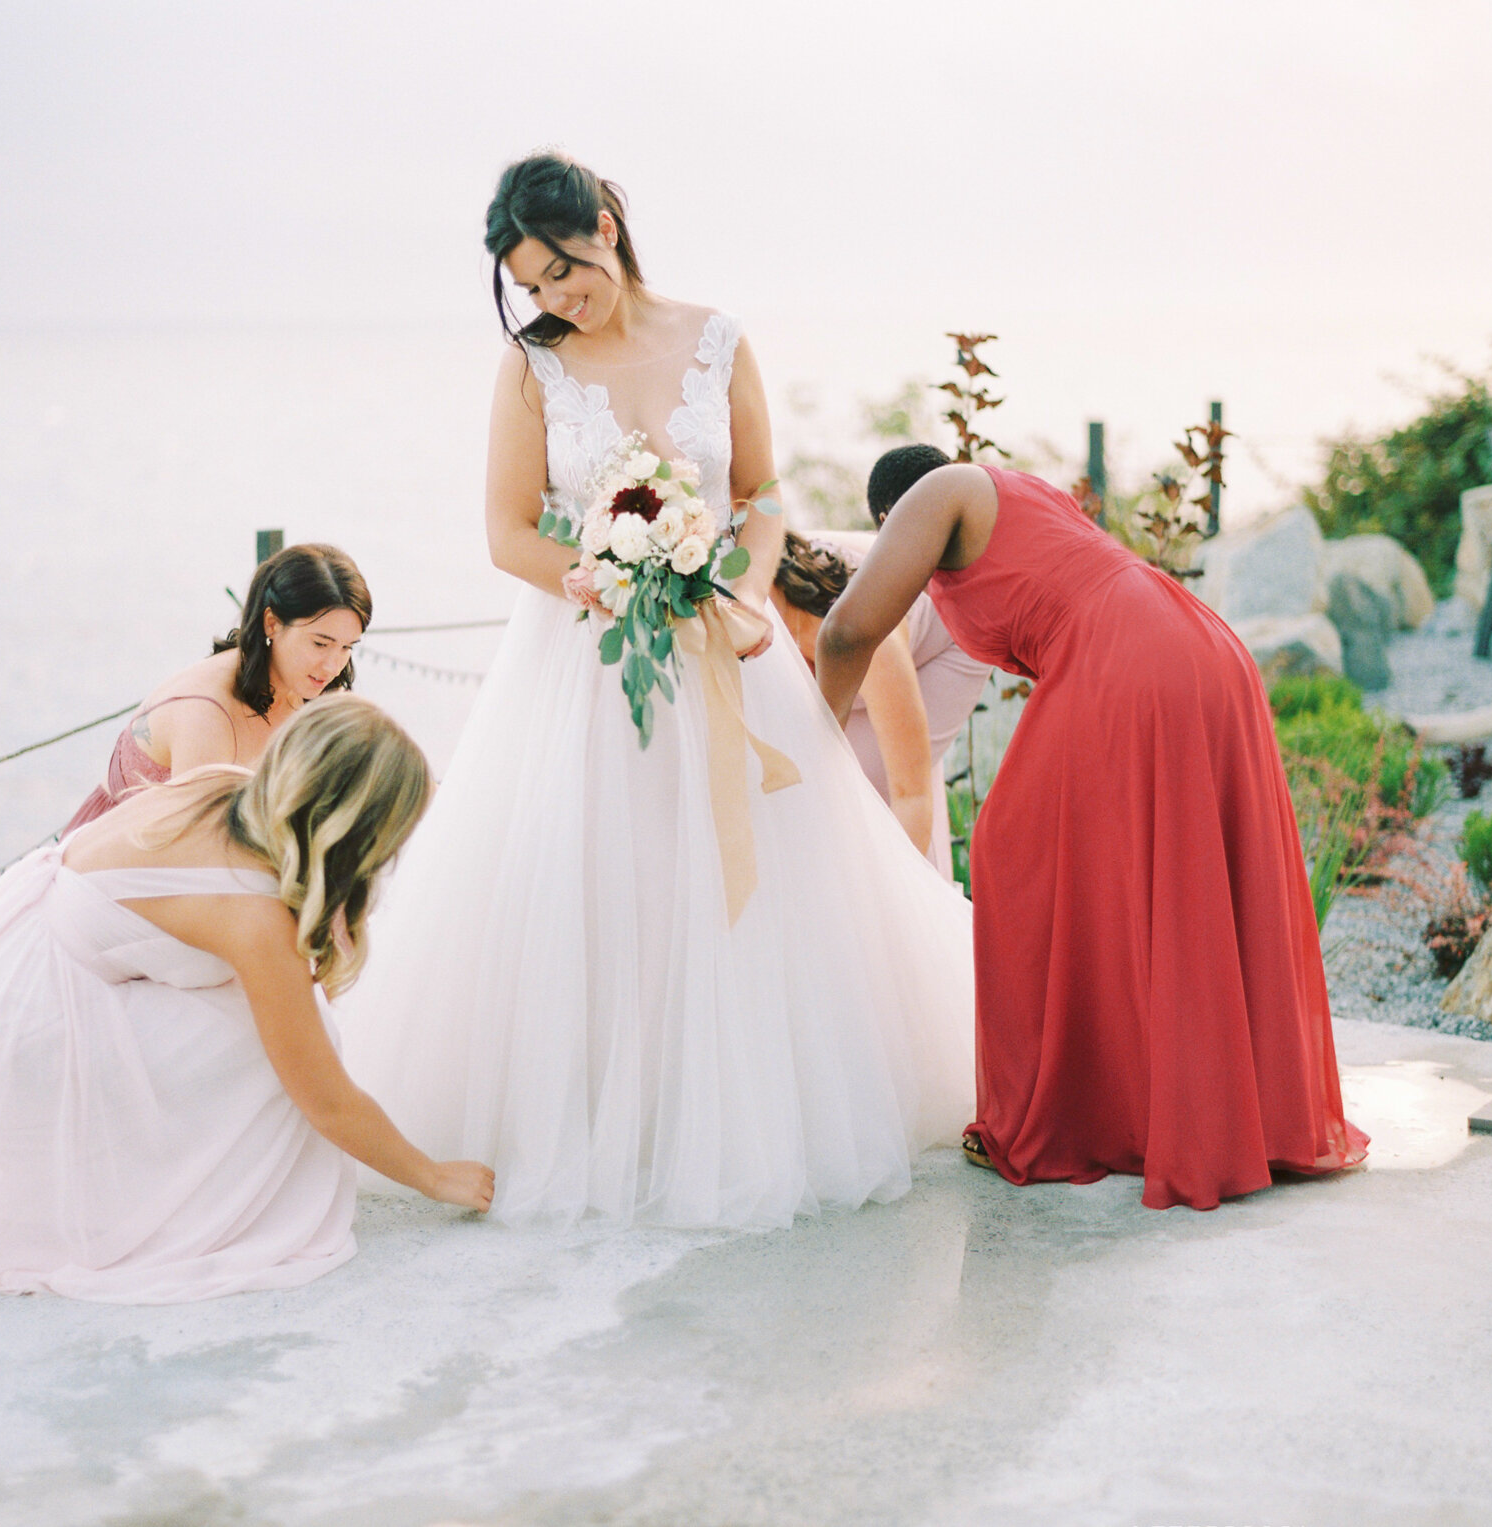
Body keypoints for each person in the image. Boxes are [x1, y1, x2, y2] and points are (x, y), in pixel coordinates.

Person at [336, 152, 977, 1230]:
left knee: (758, 882)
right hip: (585, 660)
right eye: (531, 288)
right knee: (601, 877)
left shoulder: (715, 338)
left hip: (727, 638)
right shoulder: (530, 369)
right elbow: (504, 534)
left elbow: (763, 490)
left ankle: (730, 1114)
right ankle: (603, 1120)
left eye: (560, 273)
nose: (551, 301)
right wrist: (614, 581)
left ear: (602, 227)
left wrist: (742, 586)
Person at [0, 697, 494, 1302]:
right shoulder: (255, 918)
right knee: (288, 1048)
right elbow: (325, 1099)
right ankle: (171, 1205)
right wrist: (431, 1174)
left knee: (272, 1014)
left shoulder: (226, 788)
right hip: (22, 1026)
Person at [815, 445, 1367, 1211]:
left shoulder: (941, 492)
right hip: (1187, 638)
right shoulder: (1018, 496)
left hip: (1126, 653)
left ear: (890, 517)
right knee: (1161, 870)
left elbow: (846, 633)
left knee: (1012, 853)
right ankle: (1176, 1104)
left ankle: (1056, 1114)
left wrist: (816, 746)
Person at [62, 543, 371, 833]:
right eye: (320, 643)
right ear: (272, 624)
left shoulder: (317, 694)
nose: (333, 666)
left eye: (347, 647)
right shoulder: (208, 712)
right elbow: (195, 852)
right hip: (118, 860)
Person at [781, 527, 992, 875]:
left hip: (949, 634)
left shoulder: (859, 630)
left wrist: (900, 900)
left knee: (879, 789)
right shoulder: (738, 612)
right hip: (846, 625)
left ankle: (921, 905)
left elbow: (911, 794)